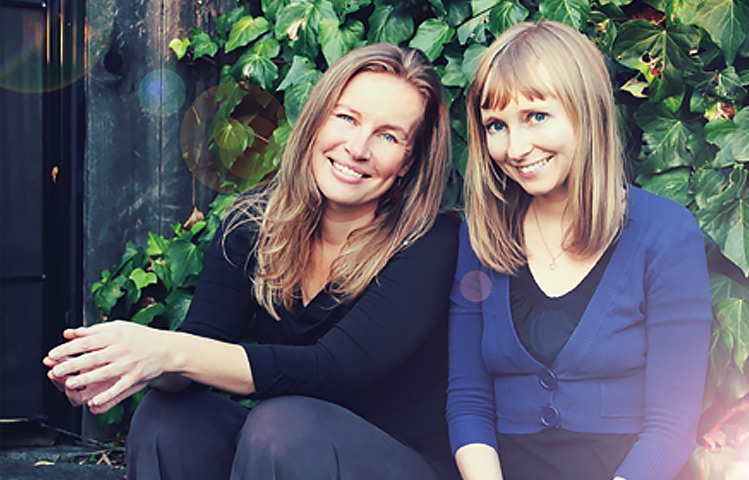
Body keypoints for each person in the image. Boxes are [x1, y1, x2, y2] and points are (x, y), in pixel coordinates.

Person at [44, 43, 460, 480]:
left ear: (409, 162)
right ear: (316, 120)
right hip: (288, 449)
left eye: (388, 136)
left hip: (400, 463)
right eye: (346, 118)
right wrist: (128, 365)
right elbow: (196, 352)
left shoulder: (429, 242)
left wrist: (170, 351)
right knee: (169, 416)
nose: (357, 147)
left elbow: (332, 368)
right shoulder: (255, 224)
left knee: (282, 426)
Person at [446, 20, 713, 480]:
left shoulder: (666, 233)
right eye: (496, 125)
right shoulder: (482, 235)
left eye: (536, 116)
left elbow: (671, 425)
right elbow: (469, 398)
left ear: (585, 110)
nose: (516, 148)